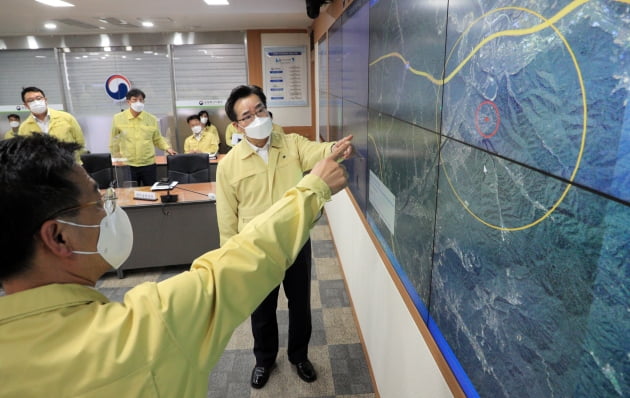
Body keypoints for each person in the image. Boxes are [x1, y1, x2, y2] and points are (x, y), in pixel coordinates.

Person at [0, 134, 350, 397]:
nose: (109, 208)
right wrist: (312, 190)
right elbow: (246, 258)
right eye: (97, 200)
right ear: (58, 237)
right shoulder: (147, 330)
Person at [216, 84, 354, 389]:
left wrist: (336, 149)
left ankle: (299, 356)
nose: (257, 117)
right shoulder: (228, 166)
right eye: (247, 115)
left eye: (260, 109)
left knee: (300, 305)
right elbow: (227, 220)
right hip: (255, 250)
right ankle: (264, 360)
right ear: (237, 125)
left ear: (268, 109)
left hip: (295, 243)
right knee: (261, 310)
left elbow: (317, 152)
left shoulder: (291, 144)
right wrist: (230, 258)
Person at [109, 88, 176, 186]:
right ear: (128, 102)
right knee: (130, 194)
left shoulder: (151, 119)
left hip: (148, 164)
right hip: (128, 164)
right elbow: (113, 139)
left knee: (151, 192)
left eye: (141, 100)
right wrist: (116, 155)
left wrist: (168, 148)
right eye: (134, 100)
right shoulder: (118, 118)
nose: (138, 103)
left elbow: (157, 138)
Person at [18, 86, 85, 151]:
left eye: (38, 98)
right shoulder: (24, 127)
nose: (36, 102)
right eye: (30, 100)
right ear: (26, 105)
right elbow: (25, 151)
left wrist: (75, 160)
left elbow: (80, 141)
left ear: (45, 100)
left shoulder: (66, 117)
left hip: (69, 161)